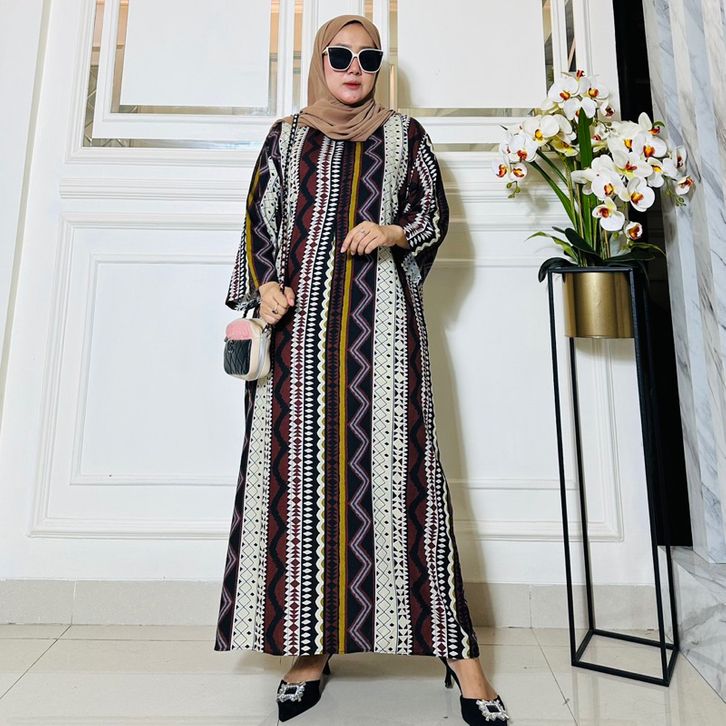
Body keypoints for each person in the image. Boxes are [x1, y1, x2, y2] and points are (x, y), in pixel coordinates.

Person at [214, 14, 509, 725]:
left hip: (385, 337)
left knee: (406, 484)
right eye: (340, 55)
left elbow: (434, 215)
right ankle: (309, 651)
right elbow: (259, 226)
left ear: (381, 67)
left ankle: (460, 658)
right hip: (298, 340)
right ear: (320, 60)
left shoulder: (405, 136)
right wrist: (266, 285)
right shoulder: (286, 137)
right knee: (300, 488)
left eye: (368, 57)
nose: (354, 68)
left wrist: (392, 229)